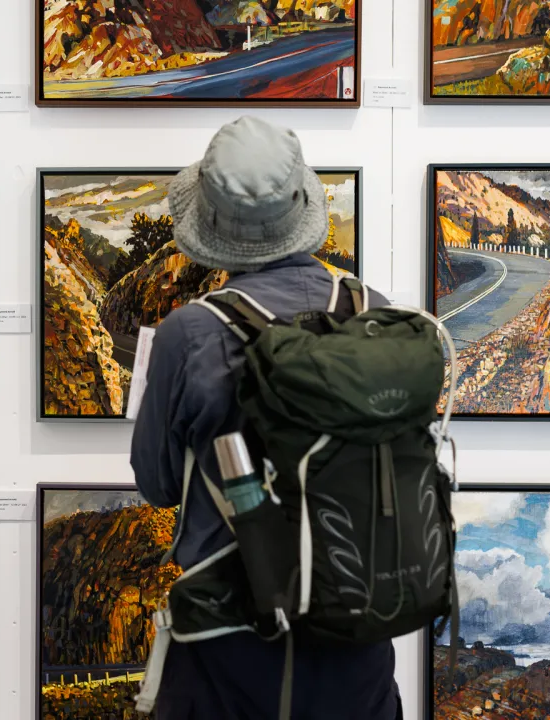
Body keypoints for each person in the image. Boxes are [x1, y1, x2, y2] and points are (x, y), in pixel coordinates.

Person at [130, 116, 402, 720]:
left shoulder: (190, 334)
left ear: (211, 224)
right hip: (356, 648)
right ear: (300, 206)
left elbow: (157, 485)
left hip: (228, 656)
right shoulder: (374, 311)